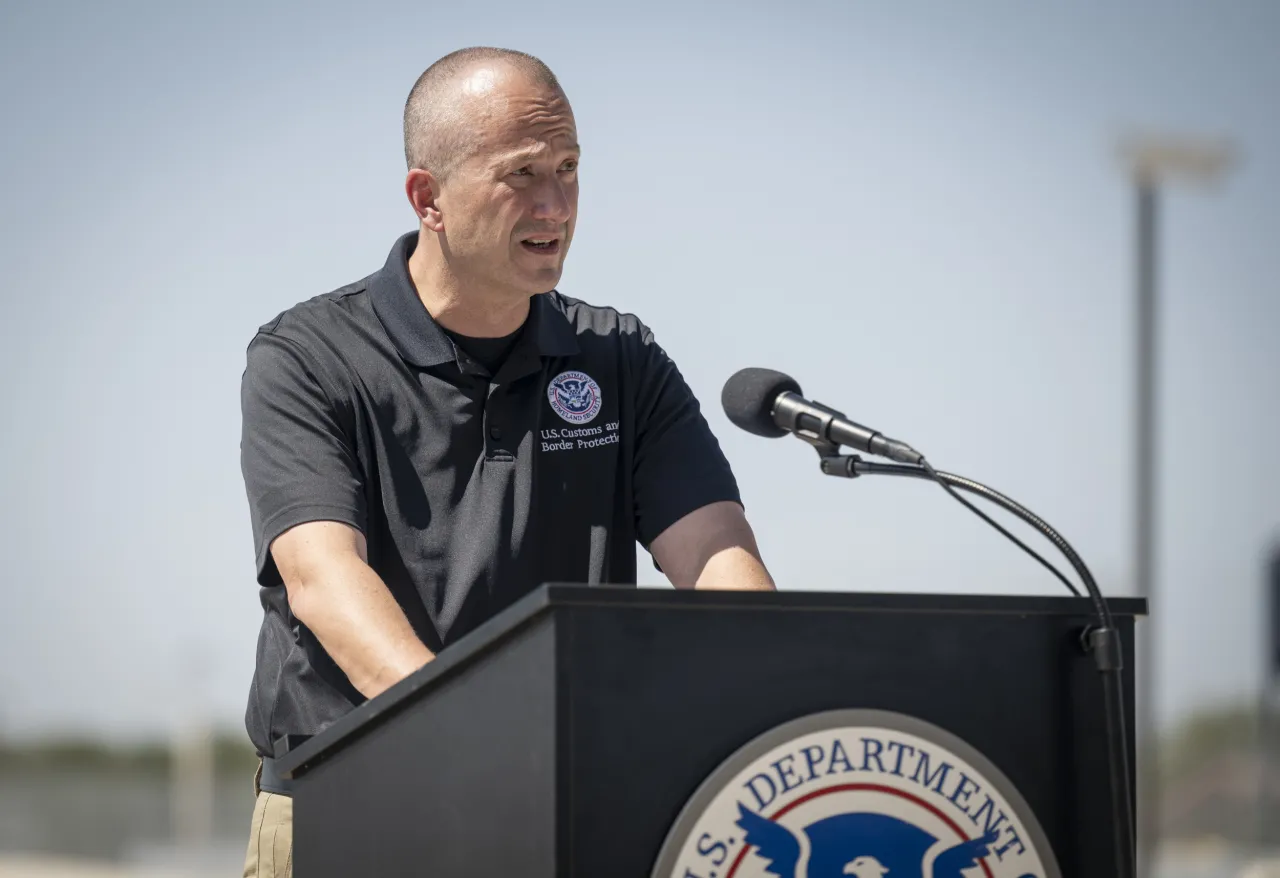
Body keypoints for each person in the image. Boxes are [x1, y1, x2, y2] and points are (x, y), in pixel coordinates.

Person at [237, 46, 775, 877]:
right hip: (354, 807)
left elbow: (712, 557)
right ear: (429, 199)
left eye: (569, 168)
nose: (556, 204)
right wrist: (482, 738)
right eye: (521, 173)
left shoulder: (618, 357)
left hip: (569, 811)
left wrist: (775, 692)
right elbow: (324, 582)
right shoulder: (308, 356)